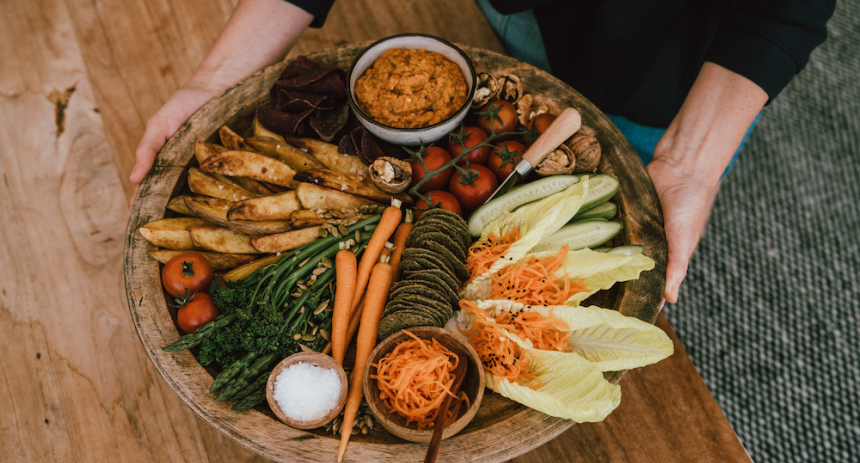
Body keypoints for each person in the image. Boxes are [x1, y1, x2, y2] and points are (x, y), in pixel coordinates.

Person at [130, 0, 835, 304]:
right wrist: (215, 80)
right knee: (523, 42)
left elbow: (783, 6)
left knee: (631, 141)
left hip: (673, 59)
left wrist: (687, 165)